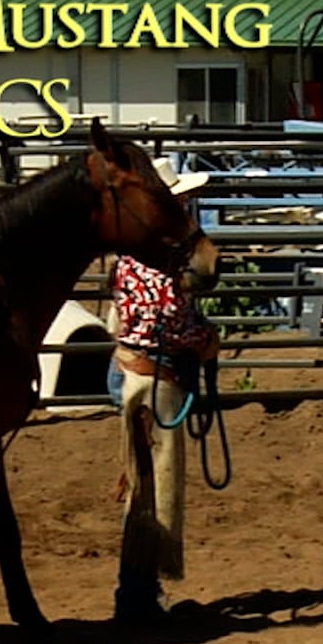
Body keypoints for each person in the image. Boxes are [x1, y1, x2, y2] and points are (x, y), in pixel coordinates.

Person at [106, 156, 219, 608]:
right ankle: (135, 593)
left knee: (146, 482)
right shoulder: (155, 259)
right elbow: (166, 319)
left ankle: (141, 588)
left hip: (142, 371)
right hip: (152, 376)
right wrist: (203, 340)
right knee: (150, 485)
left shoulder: (143, 255)